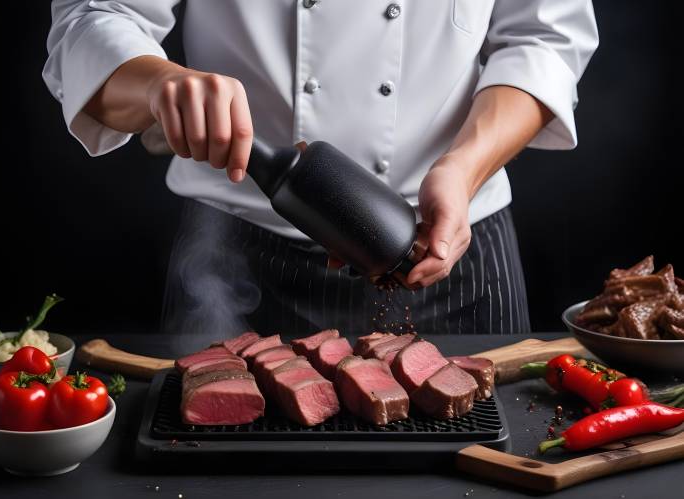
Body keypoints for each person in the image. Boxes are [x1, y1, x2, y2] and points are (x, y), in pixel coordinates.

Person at [43, 1, 598, 338]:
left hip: (456, 248)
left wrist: (465, 167)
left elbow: (543, 38)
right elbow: (92, 20)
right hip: (240, 254)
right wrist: (158, 82)